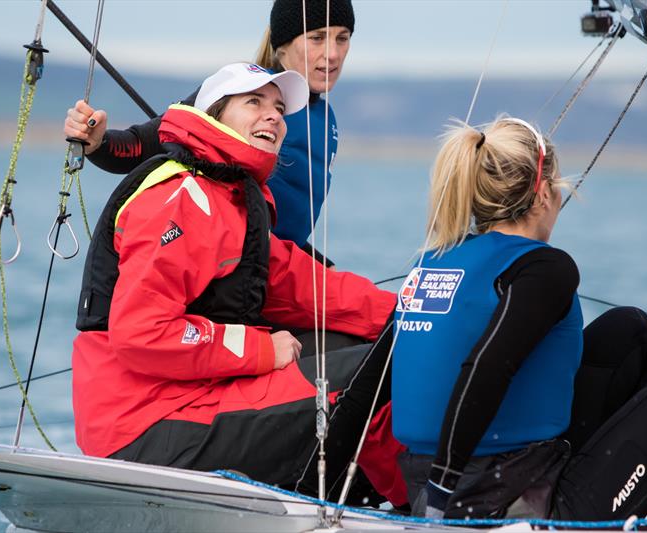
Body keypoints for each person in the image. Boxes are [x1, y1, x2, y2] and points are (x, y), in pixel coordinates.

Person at [71, 62, 404, 502]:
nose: (273, 116)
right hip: (144, 425)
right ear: (214, 115)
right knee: (376, 376)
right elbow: (142, 334)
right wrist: (262, 351)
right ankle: (421, 509)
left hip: (194, 396)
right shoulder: (179, 198)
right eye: (254, 102)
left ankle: (391, 499)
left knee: (388, 350)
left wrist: (411, 316)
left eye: (279, 108)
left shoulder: (229, 197)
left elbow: (305, 287)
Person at [389, 117, 647, 522]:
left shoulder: (433, 263)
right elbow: (487, 367)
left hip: (453, 485)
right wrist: (441, 497)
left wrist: (315, 485)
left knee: (631, 332)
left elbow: (371, 382)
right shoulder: (544, 268)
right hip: (521, 510)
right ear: (542, 194)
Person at [64, 0, 354, 266]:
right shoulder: (241, 93)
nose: (332, 54)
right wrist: (97, 142)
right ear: (283, 44)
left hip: (285, 267)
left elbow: (288, 218)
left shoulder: (327, 119)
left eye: (342, 38)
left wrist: (310, 260)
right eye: (317, 38)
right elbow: (144, 144)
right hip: (236, 270)